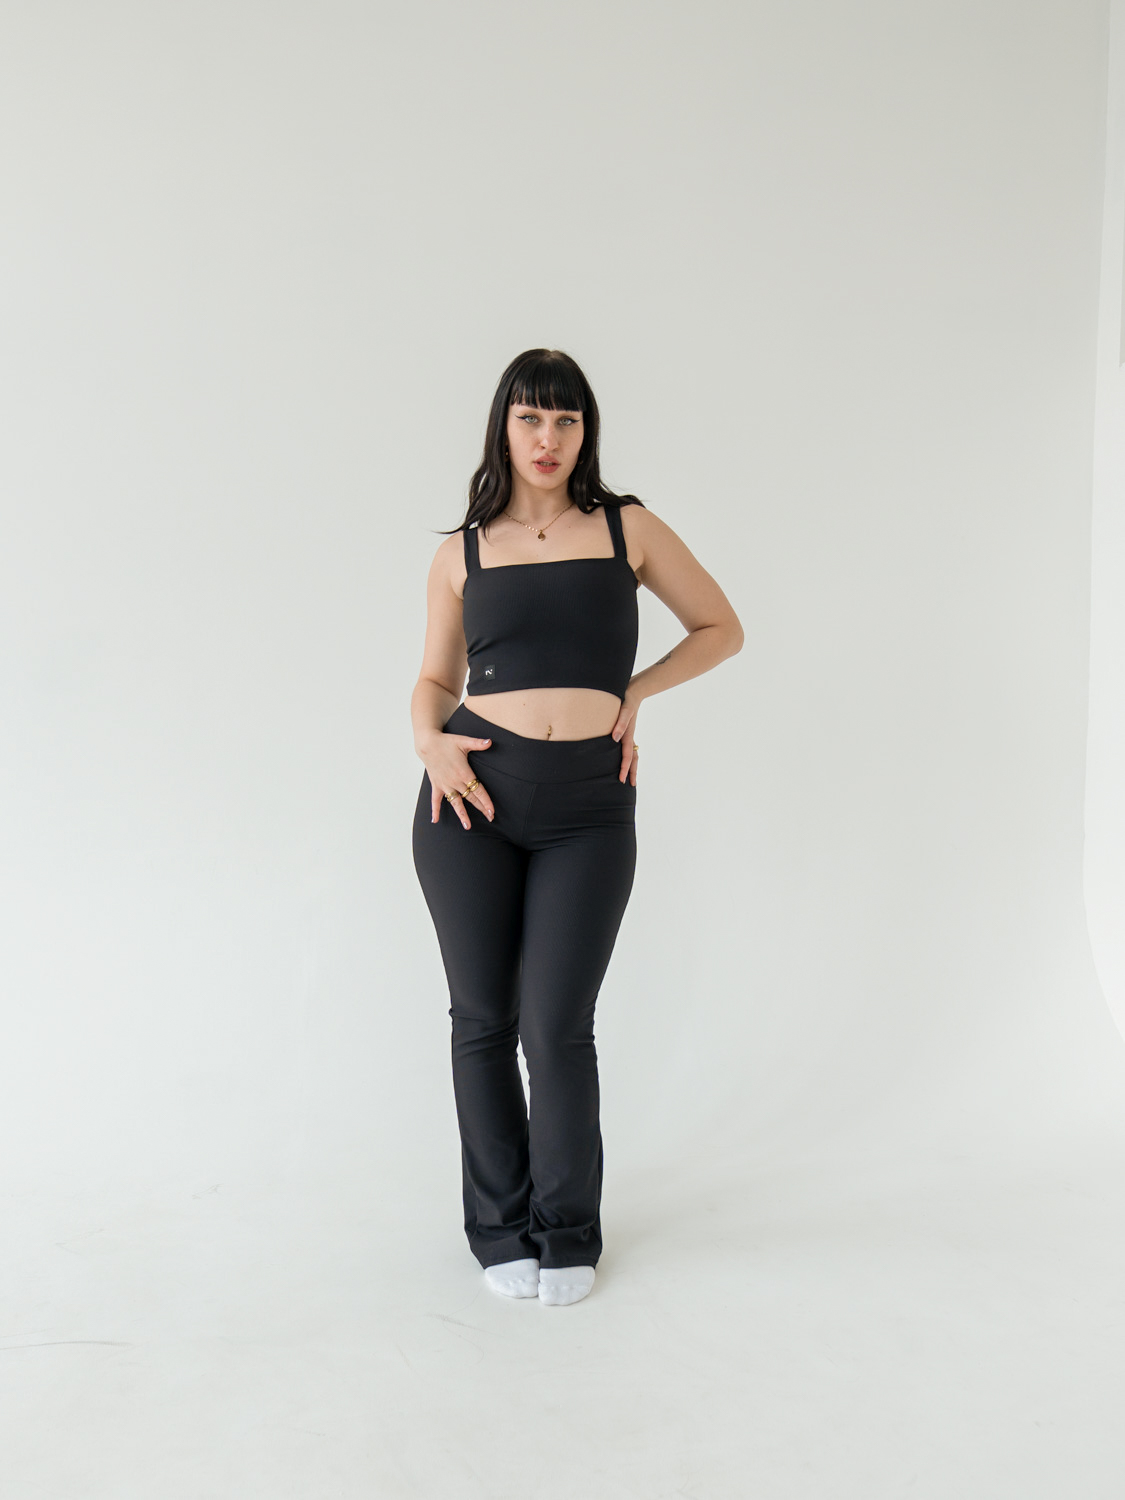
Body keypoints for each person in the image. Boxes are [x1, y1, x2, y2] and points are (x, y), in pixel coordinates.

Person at [410, 348, 743, 1306]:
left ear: (585, 429)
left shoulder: (627, 528)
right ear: (503, 428)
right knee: (483, 1021)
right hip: (470, 798)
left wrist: (635, 692)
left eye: (565, 419)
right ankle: (497, 1230)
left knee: (558, 1027)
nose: (547, 438)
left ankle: (565, 1229)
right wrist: (427, 742)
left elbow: (720, 627)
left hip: (590, 806)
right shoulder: (462, 551)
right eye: (529, 418)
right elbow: (434, 678)